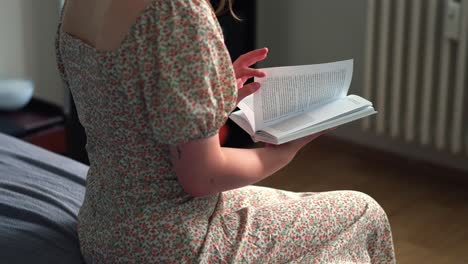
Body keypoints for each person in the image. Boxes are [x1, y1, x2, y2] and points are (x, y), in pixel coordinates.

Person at [55, 0, 396, 263]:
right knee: (363, 212)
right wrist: (281, 151)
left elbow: (123, 102)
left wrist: (207, 91)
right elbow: (203, 178)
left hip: (102, 226)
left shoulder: (76, 4)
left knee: (300, 207)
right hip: (170, 241)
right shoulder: (176, 11)